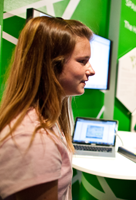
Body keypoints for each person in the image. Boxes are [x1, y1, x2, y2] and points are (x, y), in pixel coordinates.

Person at [0, 16, 95, 200]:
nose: (91, 70)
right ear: (51, 66)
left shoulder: (46, 120)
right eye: (83, 61)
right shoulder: (35, 141)